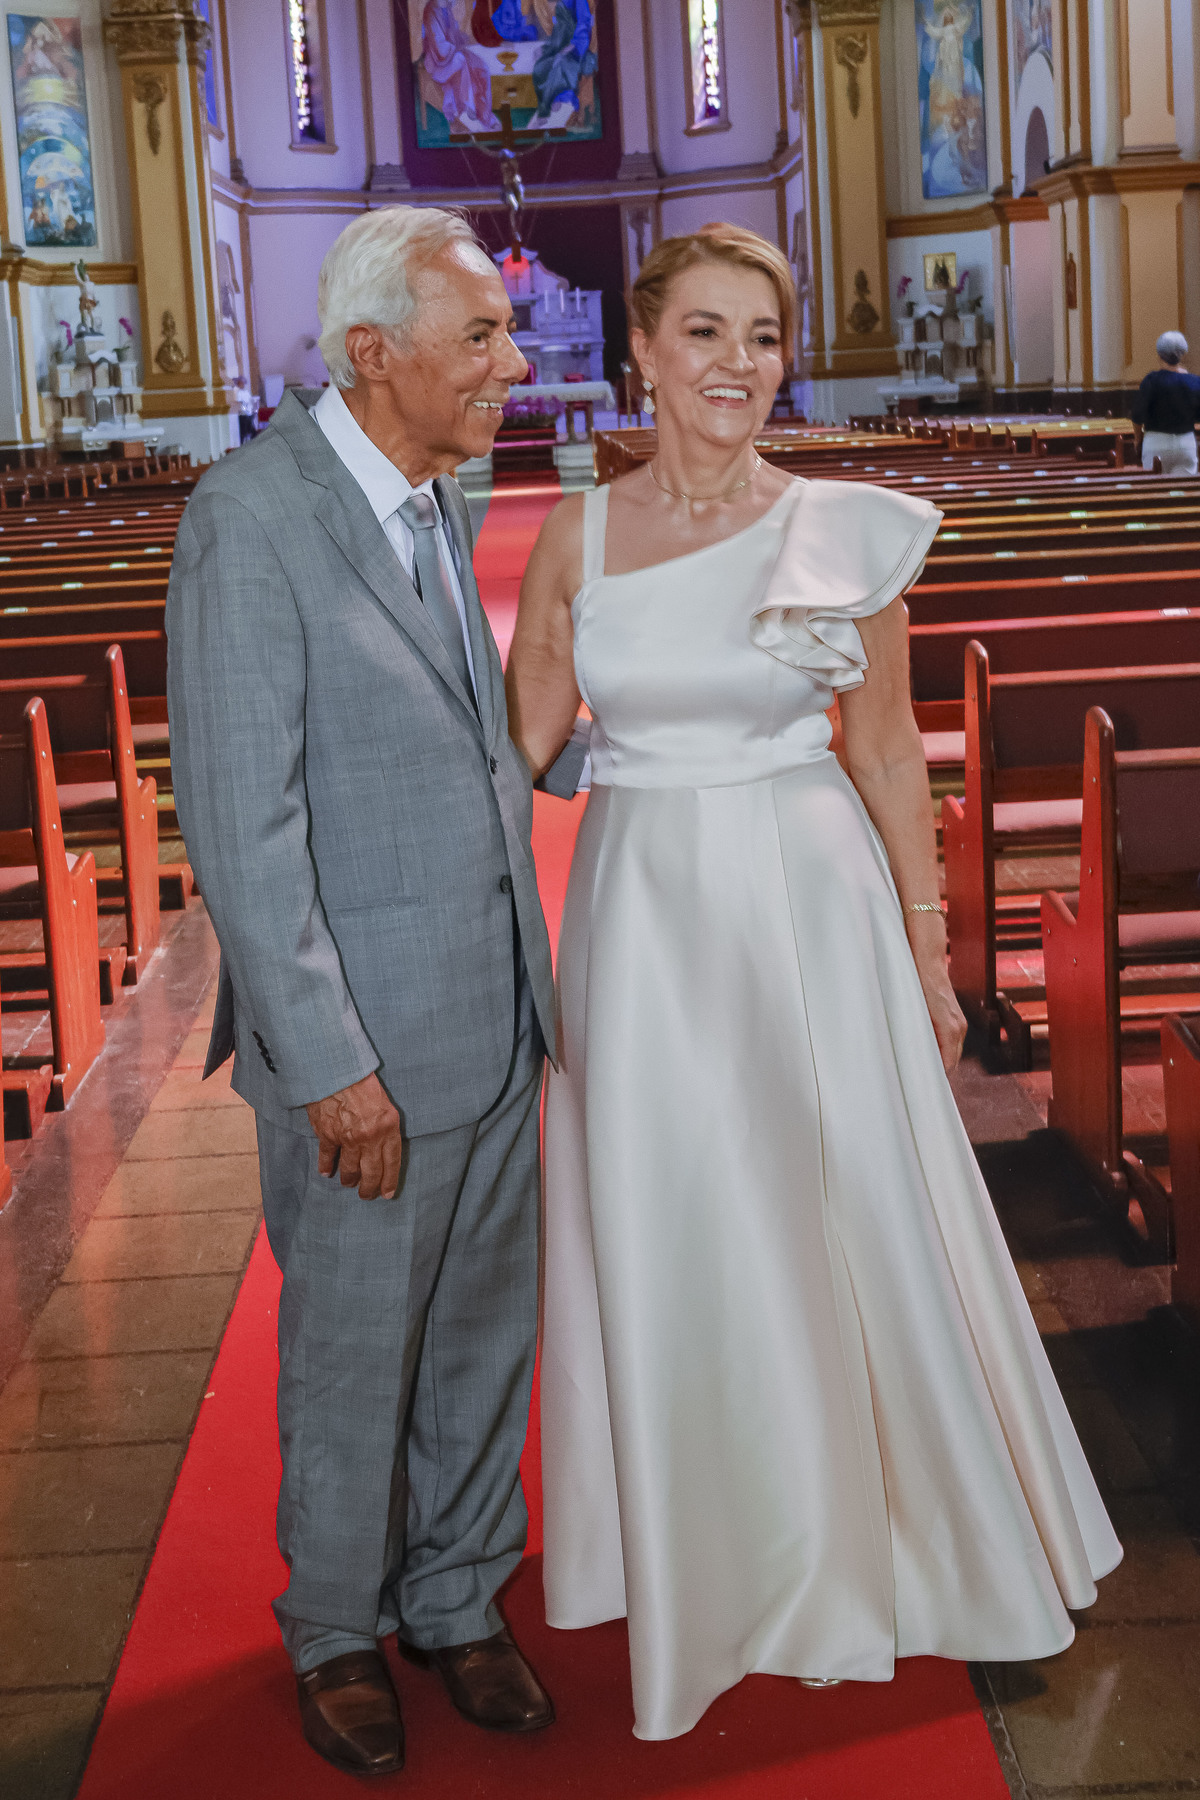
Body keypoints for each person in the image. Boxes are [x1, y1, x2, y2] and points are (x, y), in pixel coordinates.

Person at [507, 223, 1122, 1743]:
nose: (738, 364)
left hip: (809, 896)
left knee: (843, 1206)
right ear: (640, 349)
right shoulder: (578, 536)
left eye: (763, 336)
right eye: (704, 332)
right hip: (642, 918)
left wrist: (927, 948)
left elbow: (892, 753)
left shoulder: (844, 530)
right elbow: (516, 752)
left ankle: (901, 1537)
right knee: (677, 1211)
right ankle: (706, 1545)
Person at [167, 206, 566, 1777]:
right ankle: (335, 1628)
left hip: (492, 1009)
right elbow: (243, 827)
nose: (514, 365)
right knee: (353, 1355)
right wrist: (331, 1064)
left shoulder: (433, 494)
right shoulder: (251, 518)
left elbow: (470, 741)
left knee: (480, 1338)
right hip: (367, 1053)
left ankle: (457, 1597)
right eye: (483, 337)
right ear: (373, 353)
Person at [1133, 330, 1200, 474]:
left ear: (1159, 354)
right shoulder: (1195, 382)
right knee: (1185, 487)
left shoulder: (1151, 381)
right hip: (1186, 442)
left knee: (1154, 486)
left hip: (1156, 442)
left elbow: (1137, 416)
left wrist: (1138, 439)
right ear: (1183, 354)